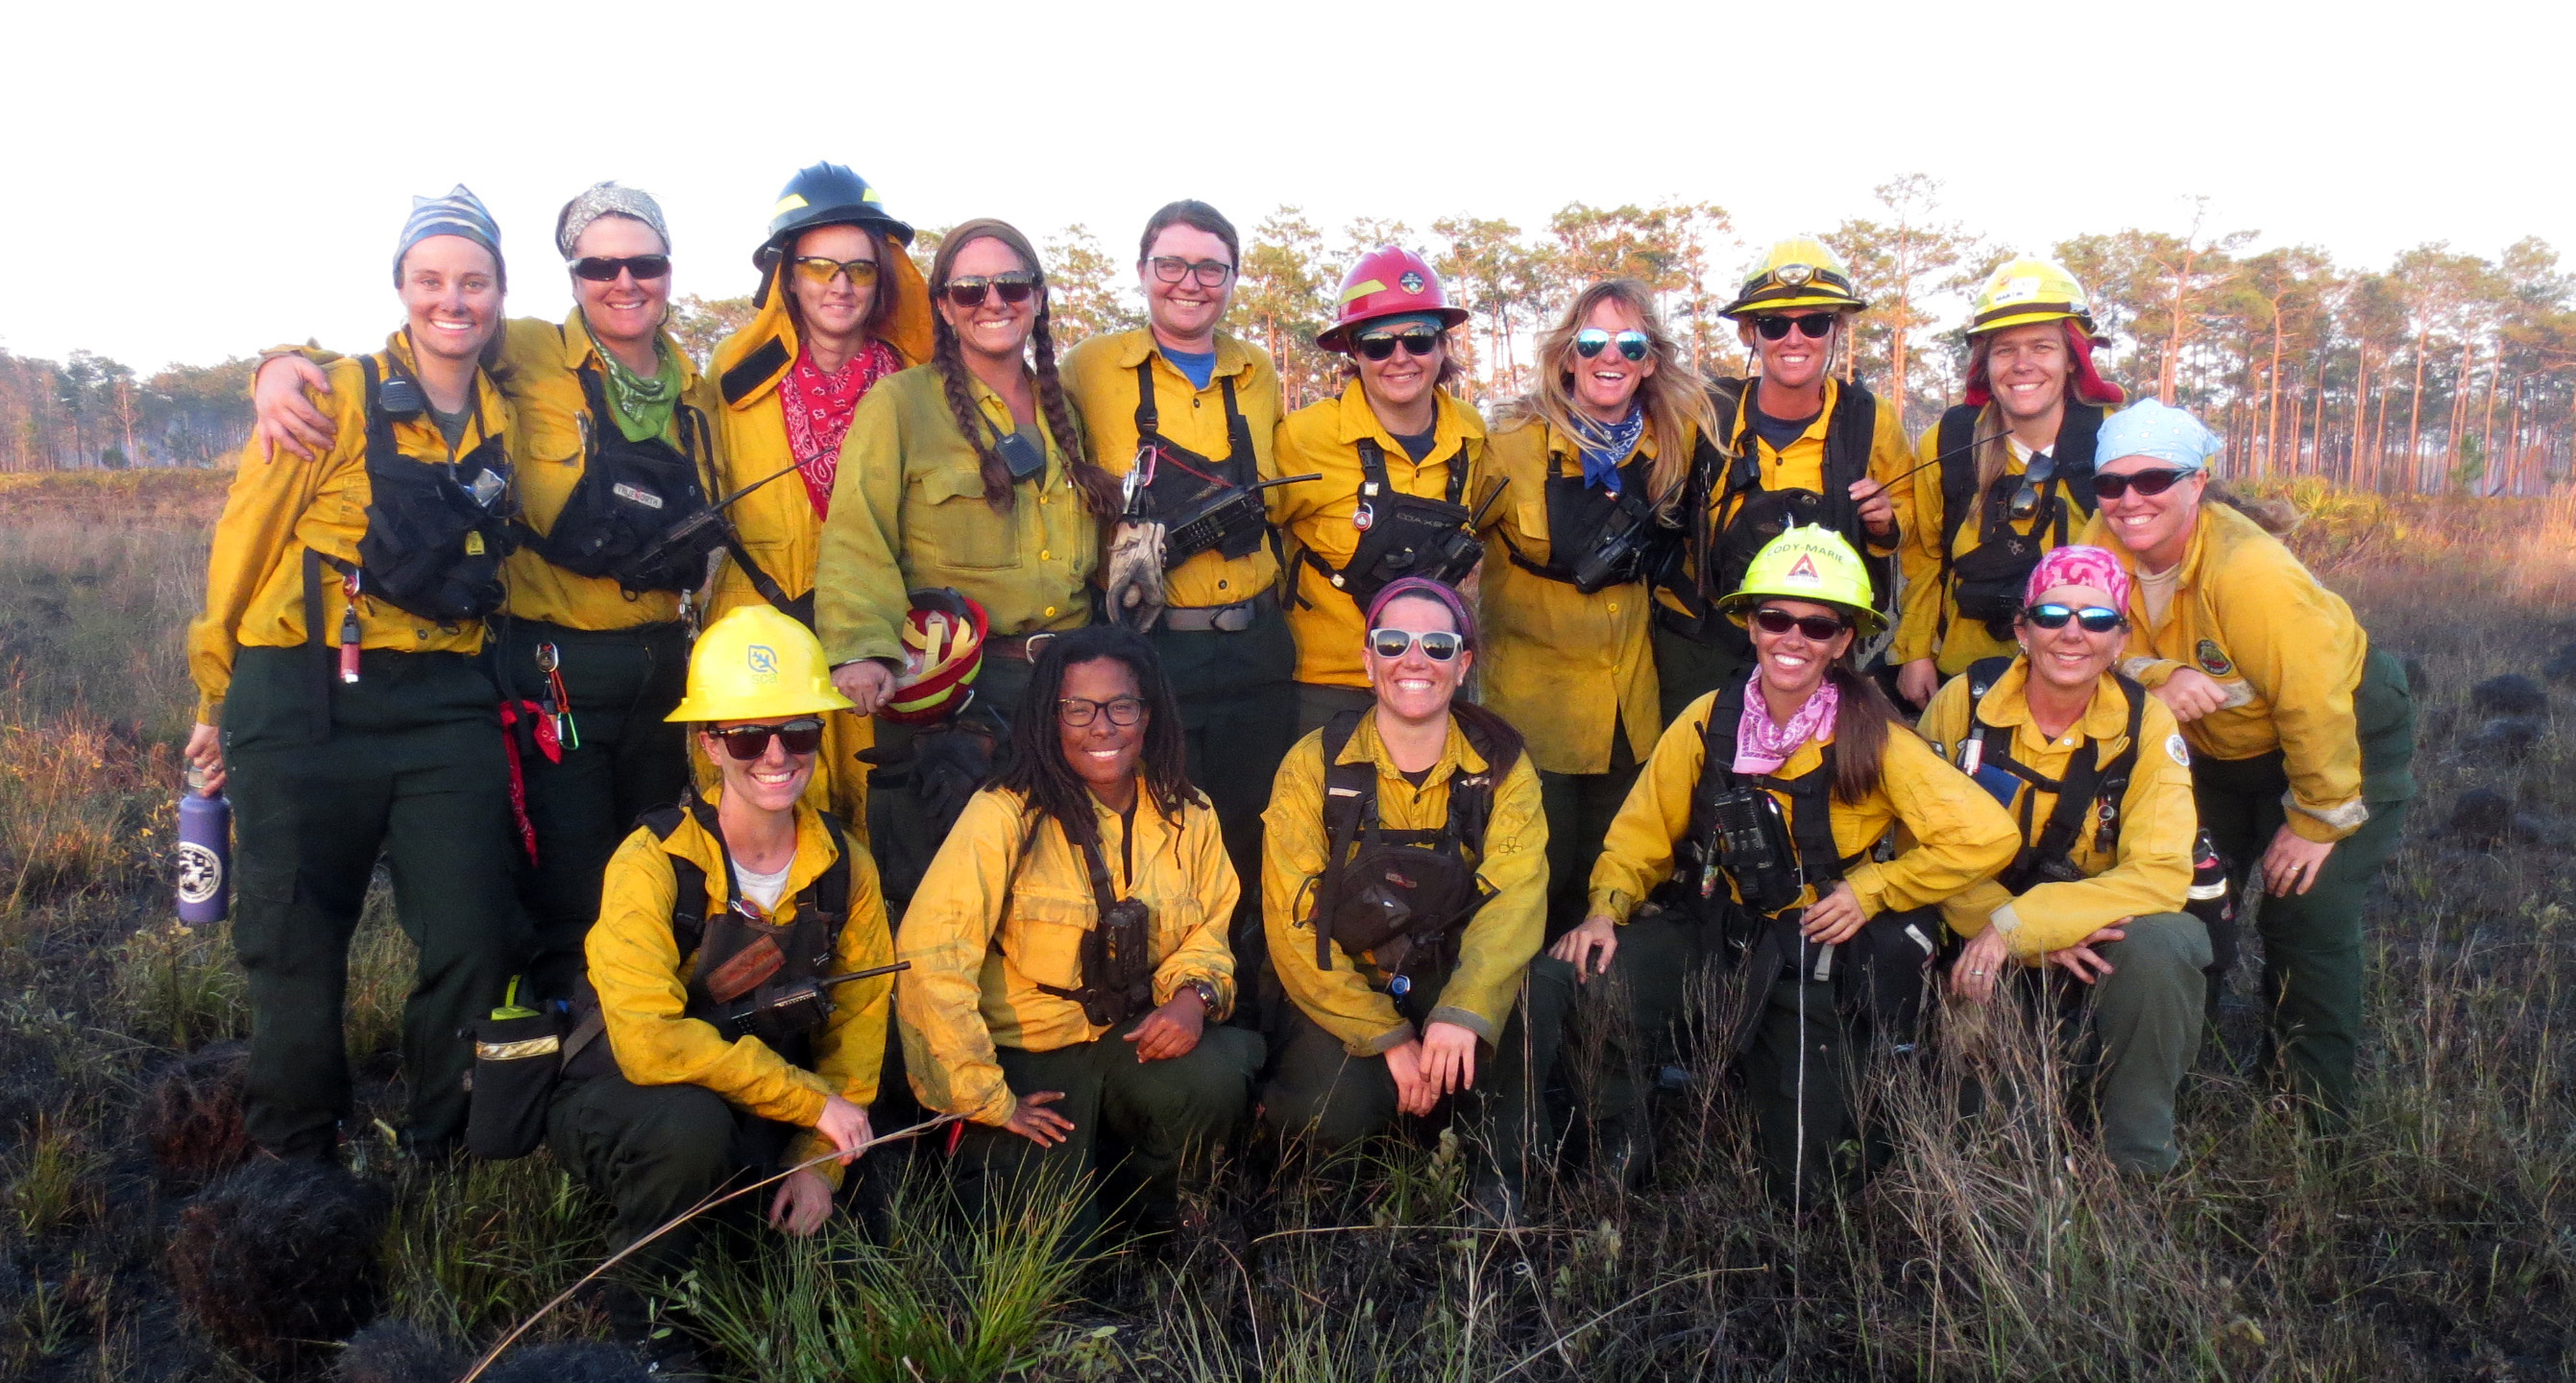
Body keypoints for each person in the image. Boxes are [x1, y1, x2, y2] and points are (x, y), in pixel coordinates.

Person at [249, 182, 725, 997]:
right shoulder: (527, 351)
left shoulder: (699, 391)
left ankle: (645, 1037)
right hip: (553, 664)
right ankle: (559, 1061)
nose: (623, 281)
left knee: (654, 863)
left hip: (663, 665)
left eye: (642, 262)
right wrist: (284, 367)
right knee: (571, 882)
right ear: (570, 276)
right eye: (598, 264)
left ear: (669, 271)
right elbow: (427, 342)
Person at [182, 187, 528, 1160]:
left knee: (472, 931)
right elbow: (240, 548)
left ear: (500, 292)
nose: (451, 300)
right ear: (401, 288)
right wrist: (215, 699)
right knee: (294, 943)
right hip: (300, 696)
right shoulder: (327, 396)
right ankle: (296, 1160)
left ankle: (442, 1147)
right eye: (430, 280)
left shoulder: (512, 407)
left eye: (473, 281)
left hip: (447, 703)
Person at [1570, 527, 2017, 1203]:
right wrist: (1606, 910)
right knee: (1588, 977)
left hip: (1813, 952)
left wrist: (1874, 889)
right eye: (1775, 618)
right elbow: (1640, 835)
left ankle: (1863, 1096)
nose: (1793, 638)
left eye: (1818, 625)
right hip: (1715, 928)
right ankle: (1624, 1135)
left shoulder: (1874, 734)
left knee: (1810, 1183)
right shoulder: (1706, 719)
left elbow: (1986, 835)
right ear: (1751, 626)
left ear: (1844, 641)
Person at [550, 606, 894, 1337]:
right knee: (690, 1130)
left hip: (766, 1098)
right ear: (710, 745)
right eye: (747, 734)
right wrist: (810, 1105)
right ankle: (646, 1321)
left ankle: (752, 1229)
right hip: (632, 1096)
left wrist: (818, 1160)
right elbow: (648, 1044)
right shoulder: (651, 865)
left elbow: (859, 1037)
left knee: (870, 1191)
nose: (776, 756)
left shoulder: (846, 867)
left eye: (798, 731)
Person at [2078, 400, 2416, 1131]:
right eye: (2110, 483)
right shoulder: (2101, 538)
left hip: (2341, 737)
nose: (2129, 500)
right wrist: (2153, 671)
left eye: (2153, 479)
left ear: (2197, 482)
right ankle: (2171, 1074)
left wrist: (2318, 820)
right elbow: (2084, 634)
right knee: (2189, 892)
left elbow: (2313, 703)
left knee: (2304, 913)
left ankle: (2309, 1116)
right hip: (2220, 748)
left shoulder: (2250, 571)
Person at [894, 626, 1259, 1243]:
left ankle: (1155, 1213)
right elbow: (932, 957)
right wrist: (987, 1096)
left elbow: (1211, 926)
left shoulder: (1188, 811)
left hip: (1131, 1039)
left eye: (1122, 705)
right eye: (1078, 708)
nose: (1103, 726)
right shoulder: (1004, 814)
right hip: (1026, 1059)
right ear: (1049, 716)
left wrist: (1192, 997)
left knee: (1212, 1078)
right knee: (1049, 1252)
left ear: (1149, 714)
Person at [814, 218, 1123, 909]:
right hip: (950, 701)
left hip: (1060, 697)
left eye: (1012, 285)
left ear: (1038, 298)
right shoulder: (901, 404)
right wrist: (863, 650)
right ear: (945, 308)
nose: (993, 302)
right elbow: (856, 531)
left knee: (1057, 896)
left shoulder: (1061, 409)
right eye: (969, 289)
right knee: (945, 906)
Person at [1260, 578, 1564, 1224]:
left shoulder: (1502, 767)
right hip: (1351, 989)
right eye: (1393, 642)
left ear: (1464, 663)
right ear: (1368, 659)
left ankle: (1497, 1186)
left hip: (1449, 977)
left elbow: (1515, 902)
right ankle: (1328, 1204)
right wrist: (1389, 1037)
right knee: (1333, 1109)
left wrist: (1463, 1011)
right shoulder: (1313, 766)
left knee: (1535, 992)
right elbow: (1293, 932)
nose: (1414, 659)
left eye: (1438, 643)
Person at [1061, 201, 1295, 1017]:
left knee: (1258, 840)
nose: (1189, 283)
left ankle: (1257, 1020)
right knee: (1162, 840)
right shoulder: (1090, 368)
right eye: (1171, 264)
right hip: (1156, 655)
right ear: (1142, 270)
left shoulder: (1257, 369)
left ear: (1233, 279)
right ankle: (1159, 1010)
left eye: (1210, 268)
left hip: (1259, 649)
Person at [1918, 546, 2207, 1176]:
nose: (2072, 633)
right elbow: (1916, 842)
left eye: (2097, 619)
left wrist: (2023, 926)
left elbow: (2161, 872)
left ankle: (2139, 1160)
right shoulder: (1960, 704)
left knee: (2165, 943)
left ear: (2120, 638)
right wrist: (1999, 931)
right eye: (2052, 613)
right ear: (2023, 629)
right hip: (1973, 932)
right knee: (1990, 1130)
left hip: (2087, 937)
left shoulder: (2147, 723)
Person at [1480, 279, 1719, 939]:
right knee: (1531, 892)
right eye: (1591, 342)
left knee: (1612, 893)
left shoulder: (1675, 444)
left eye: (1629, 343)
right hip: (1534, 718)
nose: (1607, 356)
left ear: (1648, 362)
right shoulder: (1507, 445)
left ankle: (1604, 1033)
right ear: (1566, 356)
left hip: (1630, 718)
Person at [701, 163, 937, 828]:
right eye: (819, 267)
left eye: (859, 270)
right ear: (787, 273)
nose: (839, 286)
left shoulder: (917, 382)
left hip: (885, 633)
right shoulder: (734, 376)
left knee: (883, 815)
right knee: (767, 813)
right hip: (762, 634)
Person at [1652, 237, 1912, 724]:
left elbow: (1914, 521)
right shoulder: (1704, 414)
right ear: (1749, 332)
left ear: (1836, 329)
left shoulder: (1868, 420)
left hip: (1817, 647)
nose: (1795, 339)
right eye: (1774, 324)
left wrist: (1885, 523)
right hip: (1704, 648)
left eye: (1814, 322)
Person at [1273, 248, 1498, 735]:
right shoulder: (1303, 438)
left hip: (1432, 681)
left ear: (1442, 347)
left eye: (1418, 339)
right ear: (1352, 353)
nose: (1400, 358)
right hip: (1327, 689)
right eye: (1377, 344)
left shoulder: (1474, 435)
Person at [1894, 257, 2127, 706]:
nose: (2022, 365)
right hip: (1964, 680)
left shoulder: (2113, 441)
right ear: (1986, 363)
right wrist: (1915, 653)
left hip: (2089, 684)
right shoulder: (1947, 442)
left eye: (2042, 347)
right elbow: (1924, 554)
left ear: (2073, 360)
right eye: (2005, 350)